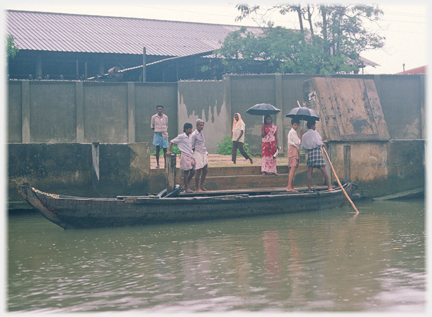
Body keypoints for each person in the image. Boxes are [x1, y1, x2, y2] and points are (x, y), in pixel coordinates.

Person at [301, 120, 333, 191]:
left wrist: (309, 150)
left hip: (310, 153)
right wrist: (322, 144)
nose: (315, 127)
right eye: (315, 125)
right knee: (323, 169)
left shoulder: (304, 135)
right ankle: (329, 187)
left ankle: (309, 188)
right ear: (312, 126)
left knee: (310, 171)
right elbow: (319, 142)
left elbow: (303, 146)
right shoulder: (316, 133)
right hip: (317, 152)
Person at [166, 123, 195, 193]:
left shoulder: (191, 137)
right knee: (186, 172)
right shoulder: (181, 136)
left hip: (190, 155)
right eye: (190, 129)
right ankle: (187, 188)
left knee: (193, 171)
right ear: (186, 129)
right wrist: (169, 150)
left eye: (191, 129)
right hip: (184, 155)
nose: (191, 130)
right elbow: (172, 141)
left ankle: (185, 185)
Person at [190, 119, 208, 192]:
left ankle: (201, 185)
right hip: (197, 153)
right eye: (200, 125)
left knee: (205, 169)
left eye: (202, 125)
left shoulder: (201, 133)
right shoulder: (194, 134)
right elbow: (191, 145)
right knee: (198, 170)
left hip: (203, 152)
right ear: (197, 126)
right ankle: (197, 187)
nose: (202, 126)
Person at [286, 118, 303, 192]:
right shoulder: (293, 132)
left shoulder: (291, 132)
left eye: (297, 125)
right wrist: (301, 135)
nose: (296, 126)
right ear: (292, 125)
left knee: (291, 168)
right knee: (292, 168)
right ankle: (289, 186)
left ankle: (291, 187)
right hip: (293, 149)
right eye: (295, 125)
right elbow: (298, 142)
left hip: (292, 150)